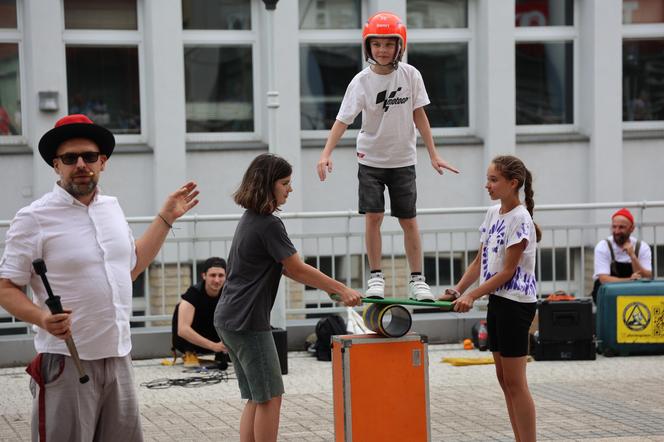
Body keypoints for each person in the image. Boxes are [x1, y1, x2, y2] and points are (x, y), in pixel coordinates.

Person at [0, 114, 199, 442]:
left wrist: (165, 217)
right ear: (56, 165)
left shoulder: (112, 208)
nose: (81, 164)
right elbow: (6, 287)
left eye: (89, 157)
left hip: (119, 357)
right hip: (67, 361)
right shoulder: (33, 218)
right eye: (70, 158)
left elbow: (131, 268)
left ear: (102, 162)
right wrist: (42, 317)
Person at [214, 153, 361, 442]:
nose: (290, 189)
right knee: (271, 397)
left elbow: (288, 270)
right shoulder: (269, 224)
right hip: (247, 322)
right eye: (285, 183)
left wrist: (331, 290)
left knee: (258, 397)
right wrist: (342, 289)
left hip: (229, 319)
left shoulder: (251, 219)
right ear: (267, 185)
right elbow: (296, 266)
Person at [316, 11, 459, 301]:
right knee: (374, 217)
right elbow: (343, 119)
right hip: (370, 160)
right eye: (376, 44)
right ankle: (376, 277)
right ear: (367, 46)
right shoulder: (361, 81)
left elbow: (420, 116)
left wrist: (434, 154)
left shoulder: (411, 75)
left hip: (404, 160)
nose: (382, 50)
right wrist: (325, 153)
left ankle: (418, 281)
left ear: (399, 45)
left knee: (409, 221)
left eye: (388, 44)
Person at [439, 155, 541, 442]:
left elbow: (508, 272)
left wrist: (472, 295)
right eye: (488, 179)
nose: (488, 185)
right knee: (504, 380)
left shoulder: (521, 219)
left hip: (516, 303)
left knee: (516, 383)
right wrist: (458, 290)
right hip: (497, 300)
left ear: (513, 183)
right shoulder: (492, 213)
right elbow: (479, 261)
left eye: (494, 180)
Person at [171, 256, 229, 368]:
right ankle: (189, 352)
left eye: (221, 275)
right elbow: (182, 330)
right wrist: (213, 346)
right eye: (212, 275)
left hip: (217, 338)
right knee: (181, 309)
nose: (217, 280)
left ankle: (222, 354)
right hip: (192, 342)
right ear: (204, 276)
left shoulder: (229, 293)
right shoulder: (193, 294)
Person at [591, 208, 652, 303]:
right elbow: (604, 279)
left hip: (633, 295)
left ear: (632, 228)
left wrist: (633, 256)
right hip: (607, 296)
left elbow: (646, 277)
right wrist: (630, 280)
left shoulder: (642, 247)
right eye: (614, 227)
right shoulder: (603, 246)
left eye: (621, 227)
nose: (616, 231)